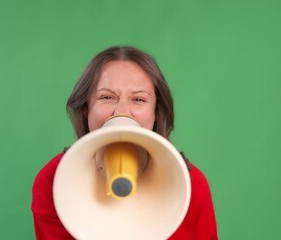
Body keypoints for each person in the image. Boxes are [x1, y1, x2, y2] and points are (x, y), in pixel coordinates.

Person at [32, 46, 218, 239]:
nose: (121, 111)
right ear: (86, 108)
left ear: (156, 113)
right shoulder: (53, 181)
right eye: (106, 97)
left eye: (138, 99)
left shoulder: (191, 185)